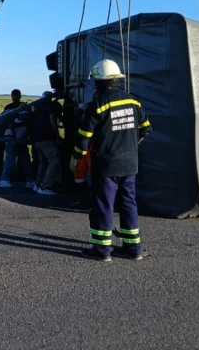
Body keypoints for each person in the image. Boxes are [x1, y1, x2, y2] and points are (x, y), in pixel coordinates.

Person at [70, 59, 151, 262]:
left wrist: (77, 157)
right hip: (130, 164)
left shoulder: (97, 105)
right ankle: (133, 249)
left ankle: (102, 250)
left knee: (104, 205)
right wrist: (132, 145)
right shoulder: (133, 101)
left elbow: (84, 137)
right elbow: (146, 128)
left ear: (99, 81)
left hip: (106, 165)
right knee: (128, 204)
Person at [0, 89, 34, 189]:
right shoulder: (11, 108)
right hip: (11, 137)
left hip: (20, 138)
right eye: (14, 95)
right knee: (11, 159)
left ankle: (30, 180)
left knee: (24, 160)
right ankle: (4, 179)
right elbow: (6, 120)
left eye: (16, 96)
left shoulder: (23, 108)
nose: (15, 97)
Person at [29, 91, 62, 195]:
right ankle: (45, 186)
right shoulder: (50, 107)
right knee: (54, 160)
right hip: (46, 138)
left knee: (43, 162)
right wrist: (57, 135)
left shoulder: (37, 107)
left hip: (36, 139)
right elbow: (52, 120)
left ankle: (38, 184)